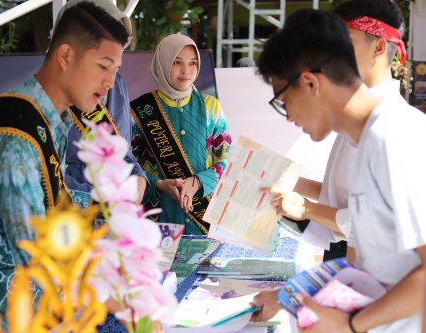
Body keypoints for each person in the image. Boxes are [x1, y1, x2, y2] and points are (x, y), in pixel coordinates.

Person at [0, 2, 128, 329]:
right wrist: (114, 303)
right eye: (103, 66)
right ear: (66, 56)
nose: (110, 82)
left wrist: (106, 209)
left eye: (115, 70)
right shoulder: (14, 138)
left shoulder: (44, 120)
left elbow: (53, 203)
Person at [252, 8, 426, 333]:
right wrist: (288, 297)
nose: (287, 117)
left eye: (282, 100)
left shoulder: (393, 138)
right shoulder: (365, 141)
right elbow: (368, 269)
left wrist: (350, 325)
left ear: (309, 83)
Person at [267, 0, 406, 262]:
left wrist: (306, 208)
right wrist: (296, 184)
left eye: (343, 44)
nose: (330, 57)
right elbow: (352, 201)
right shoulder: (362, 123)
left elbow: (380, 229)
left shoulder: (393, 130)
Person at [130, 34, 232, 235]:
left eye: (192, 63)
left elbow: (228, 159)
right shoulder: (139, 110)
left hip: (204, 222)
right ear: (162, 63)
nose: (186, 70)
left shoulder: (211, 107)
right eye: (177, 62)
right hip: (155, 222)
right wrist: (157, 183)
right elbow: (127, 164)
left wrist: (200, 181)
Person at [57, 0, 148, 207]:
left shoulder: (117, 85)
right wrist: (97, 198)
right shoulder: (44, 96)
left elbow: (122, 151)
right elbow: (45, 177)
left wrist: (138, 178)